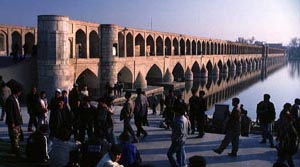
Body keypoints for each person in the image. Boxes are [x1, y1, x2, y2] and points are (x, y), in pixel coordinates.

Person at [167, 92, 189, 167]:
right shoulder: (185, 118)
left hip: (178, 140)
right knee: (180, 153)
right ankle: (183, 164)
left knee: (169, 154)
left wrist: (175, 139)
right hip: (183, 139)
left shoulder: (179, 120)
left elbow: (180, 131)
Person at [4, 85, 23, 155]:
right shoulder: (10, 99)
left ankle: (15, 150)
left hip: (17, 121)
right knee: (14, 137)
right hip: (13, 122)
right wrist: (12, 122)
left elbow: (18, 110)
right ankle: (15, 151)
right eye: (19, 92)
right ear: (17, 92)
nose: (20, 93)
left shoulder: (15, 99)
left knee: (16, 137)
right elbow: (9, 112)